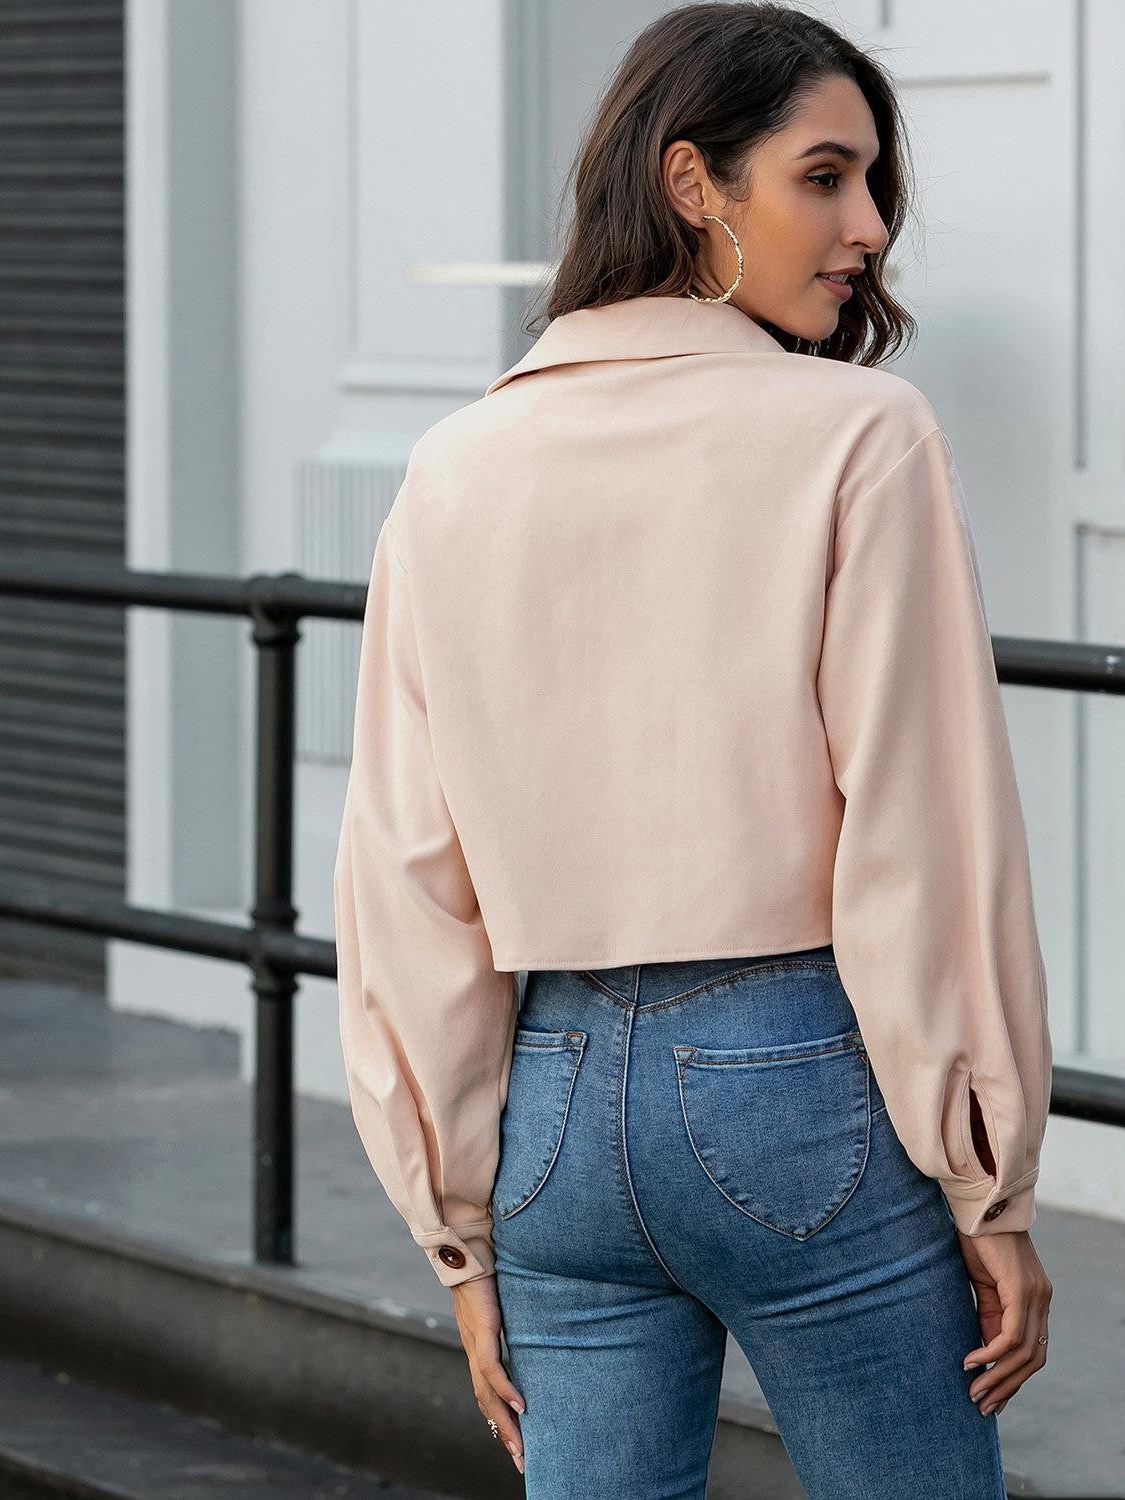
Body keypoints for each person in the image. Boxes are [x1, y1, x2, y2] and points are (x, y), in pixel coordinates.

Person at [331, 3, 1053, 1494]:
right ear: (689, 183)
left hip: (551, 1111)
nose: (869, 228)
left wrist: (454, 1227)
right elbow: (922, 836)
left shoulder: (455, 464)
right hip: (800, 1088)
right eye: (825, 177)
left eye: (870, 185)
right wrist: (989, 1179)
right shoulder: (859, 435)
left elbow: (409, 871)